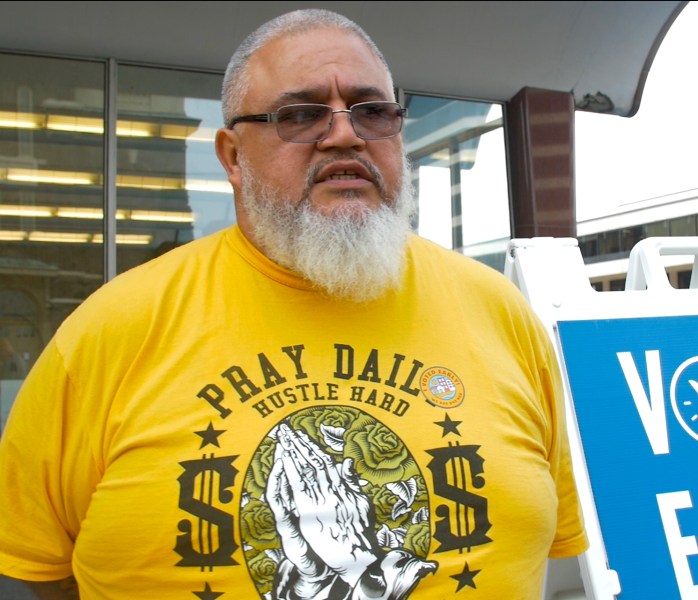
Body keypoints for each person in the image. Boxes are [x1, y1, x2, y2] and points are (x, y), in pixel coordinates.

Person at [0, 8, 588, 599]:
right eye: (301, 115)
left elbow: (551, 547)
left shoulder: (502, 313)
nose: (345, 134)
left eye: (372, 111)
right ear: (231, 157)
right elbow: (44, 571)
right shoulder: (108, 333)